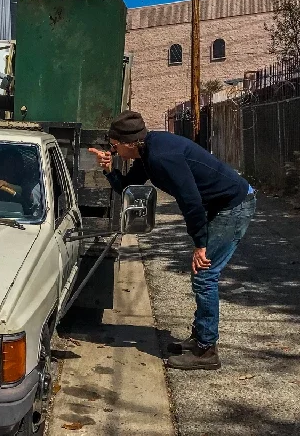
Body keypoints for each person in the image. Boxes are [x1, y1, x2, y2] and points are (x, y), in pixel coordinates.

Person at [89, 110, 257, 370]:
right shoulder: (147, 153)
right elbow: (128, 189)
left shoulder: (161, 157)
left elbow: (190, 202)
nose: (113, 149)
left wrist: (200, 244)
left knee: (204, 274)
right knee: (202, 275)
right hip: (221, 204)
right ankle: (200, 338)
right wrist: (109, 170)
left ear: (129, 142)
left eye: (113, 145)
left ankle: (206, 350)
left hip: (234, 205)